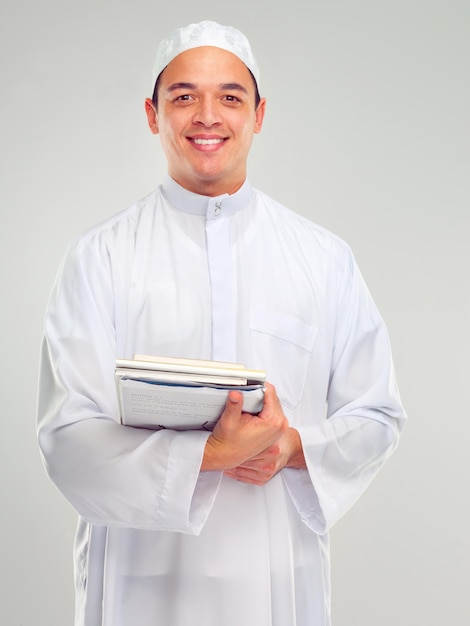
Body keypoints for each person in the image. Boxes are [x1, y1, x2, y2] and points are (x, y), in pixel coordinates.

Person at [37, 20, 406, 626]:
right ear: (152, 114)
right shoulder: (99, 257)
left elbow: (377, 414)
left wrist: (291, 448)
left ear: (259, 114)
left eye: (230, 97)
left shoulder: (322, 258)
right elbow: (67, 440)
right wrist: (208, 454)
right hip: (139, 582)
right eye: (183, 96)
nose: (207, 115)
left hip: (276, 577)